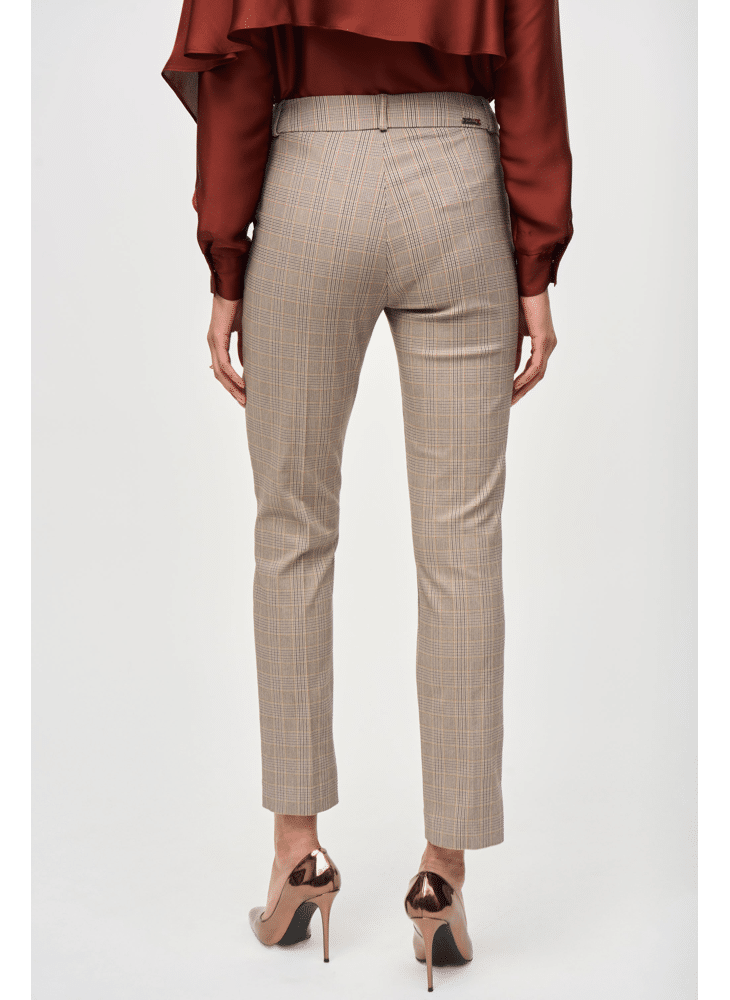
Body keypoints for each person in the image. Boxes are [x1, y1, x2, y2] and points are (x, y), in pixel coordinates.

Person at [161, 0, 573, 989]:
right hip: (458, 182)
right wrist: (535, 265)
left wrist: (226, 263)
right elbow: (529, 76)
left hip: (311, 180)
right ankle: (444, 873)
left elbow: (237, 77)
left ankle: (297, 853)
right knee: (461, 543)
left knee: (292, 530)